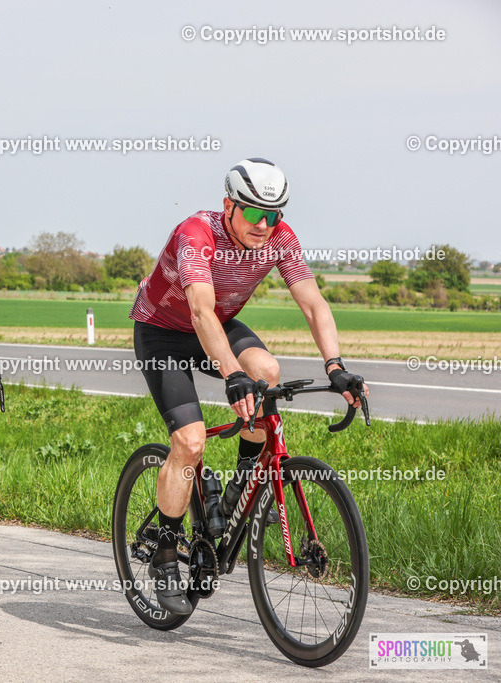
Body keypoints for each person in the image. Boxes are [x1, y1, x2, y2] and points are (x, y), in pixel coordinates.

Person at [130, 158, 369, 615]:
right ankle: (164, 552)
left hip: (219, 325)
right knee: (190, 441)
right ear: (229, 205)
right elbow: (199, 310)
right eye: (255, 212)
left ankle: (240, 484)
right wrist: (230, 374)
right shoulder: (196, 233)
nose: (265, 224)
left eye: (274, 214)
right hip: (163, 330)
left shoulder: (280, 238)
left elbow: (314, 303)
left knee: (269, 373)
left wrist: (335, 365)